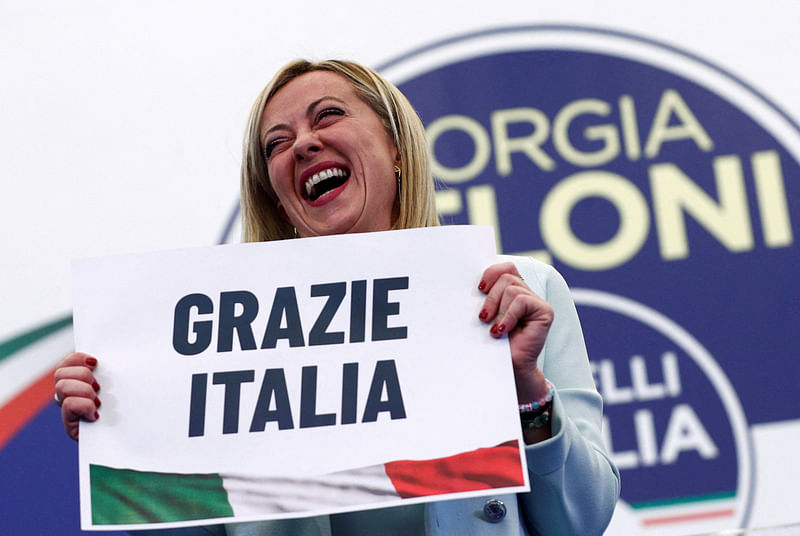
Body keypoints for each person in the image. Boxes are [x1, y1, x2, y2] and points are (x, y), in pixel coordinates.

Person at [54, 59, 620, 536]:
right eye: (278, 143)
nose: (303, 143)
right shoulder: (221, 344)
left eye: (328, 115)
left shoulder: (517, 293)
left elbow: (582, 520)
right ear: (280, 201)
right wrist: (128, 439)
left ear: (397, 148)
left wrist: (527, 391)